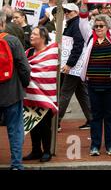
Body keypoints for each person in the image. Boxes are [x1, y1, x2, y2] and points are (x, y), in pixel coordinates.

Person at [78, 0, 111, 157]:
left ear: (107, 27)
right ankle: (95, 146)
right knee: (96, 116)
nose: (98, 28)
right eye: (96, 26)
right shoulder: (89, 38)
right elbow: (82, 20)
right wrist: (83, 4)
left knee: (109, 115)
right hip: (93, 84)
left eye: (101, 26)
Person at [0, 11, 31, 170]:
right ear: (3, 23)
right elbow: (25, 68)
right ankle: (16, 165)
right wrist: (23, 84)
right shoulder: (13, 41)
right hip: (12, 92)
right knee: (15, 130)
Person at [23, 27, 58, 163]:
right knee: (33, 124)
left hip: (45, 96)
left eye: (35, 34)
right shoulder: (28, 52)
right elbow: (24, 69)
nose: (31, 36)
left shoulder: (51, 52)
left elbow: (47, 72)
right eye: (31, 34)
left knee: (44, 125)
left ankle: (47, 151)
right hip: (30, 95)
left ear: (43, 37)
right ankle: (36, 150)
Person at [58, 3, 92, 131]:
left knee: (65, 93)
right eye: (65, 11)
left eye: (69, 11)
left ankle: (56, 122)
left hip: (75, 65)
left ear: (76, 12)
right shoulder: (73, 24)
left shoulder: (76, 24)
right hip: (77, 65)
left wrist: (69, 64)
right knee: (82, 93)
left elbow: (77, 46)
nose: (66, 13)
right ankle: (92, 119)